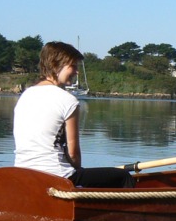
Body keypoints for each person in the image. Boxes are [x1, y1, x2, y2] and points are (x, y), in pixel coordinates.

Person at [14, 41, 134, 188]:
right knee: (123, 177)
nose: (77, 72)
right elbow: (74, 154)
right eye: (73, 66)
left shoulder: (26, 95)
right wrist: (78, 170)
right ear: (55, 65)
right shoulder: (67, 100)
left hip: (23, 173)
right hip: (57, 175)